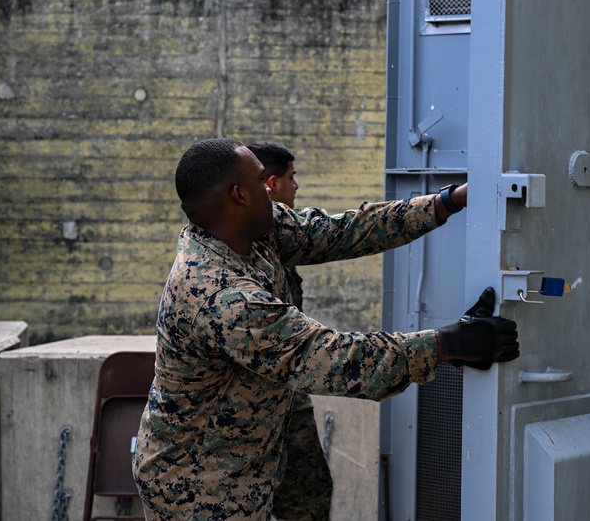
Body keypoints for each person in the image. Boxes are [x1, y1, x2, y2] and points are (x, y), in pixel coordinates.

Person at [133, 137, 519, 521]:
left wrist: (447, 202)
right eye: (260, 181)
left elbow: (344, 231)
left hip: (244, 461)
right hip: (197, 489)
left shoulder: (254, 229)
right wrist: (446, 344)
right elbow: (333, 360)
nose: (271, 190)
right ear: (239, 195)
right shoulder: (219, 294)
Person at [247, 140, 331, 521]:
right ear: (271, 184)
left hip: (291, 402)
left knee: (309, 497)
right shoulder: (241, 246)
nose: (296, 186)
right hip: (252, 411)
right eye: (291, 178)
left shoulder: (280, 238)